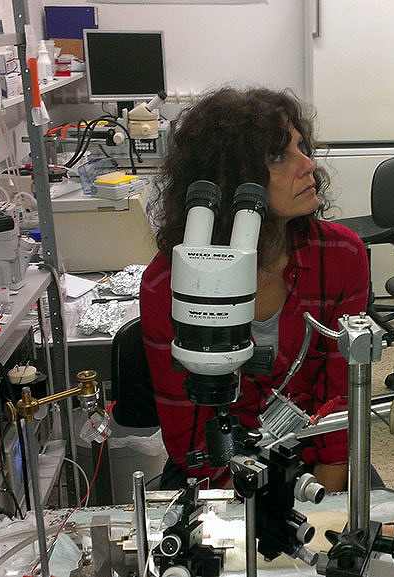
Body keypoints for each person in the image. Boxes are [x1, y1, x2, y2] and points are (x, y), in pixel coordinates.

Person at [140, 87, 369, 491]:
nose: (309, 164)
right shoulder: (169, 283)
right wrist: (245, 522)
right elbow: (187, 426)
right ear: (233, 178)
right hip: (215, 471)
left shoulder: (341, 256)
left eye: (302, 147)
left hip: (313, 461)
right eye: (280, 156)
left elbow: (339, 400)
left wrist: (325, 508)